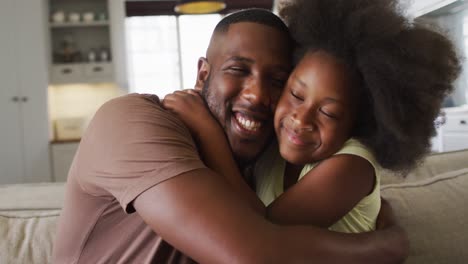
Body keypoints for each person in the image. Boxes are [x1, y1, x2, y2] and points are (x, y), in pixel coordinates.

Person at [53, 8, 408, 264]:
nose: (257, 95)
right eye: (239, 70)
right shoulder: (131, 123)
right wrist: (386, 246)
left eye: (277, 80)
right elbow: (253, 254)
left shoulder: (264, 156)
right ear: (202, 74)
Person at [164, 0, 460, 237]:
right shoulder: (273, 150)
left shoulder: (351, 164)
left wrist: (206, 130)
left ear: (358, 122)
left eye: (329, 112)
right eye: (295, 94)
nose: (301, 119)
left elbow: (261, 231)